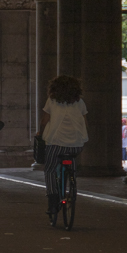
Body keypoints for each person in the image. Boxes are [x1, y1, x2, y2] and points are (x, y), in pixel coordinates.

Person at [36, 75, 89, 216]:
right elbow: (84, 122)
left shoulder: (52, 101)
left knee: (50, 170)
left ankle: (53, 201)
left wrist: (40, 134)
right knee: (71, 163)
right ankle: (72, 182)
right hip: (76, 145)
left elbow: (44, 121)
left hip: (56, 144)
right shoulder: (80, 103)